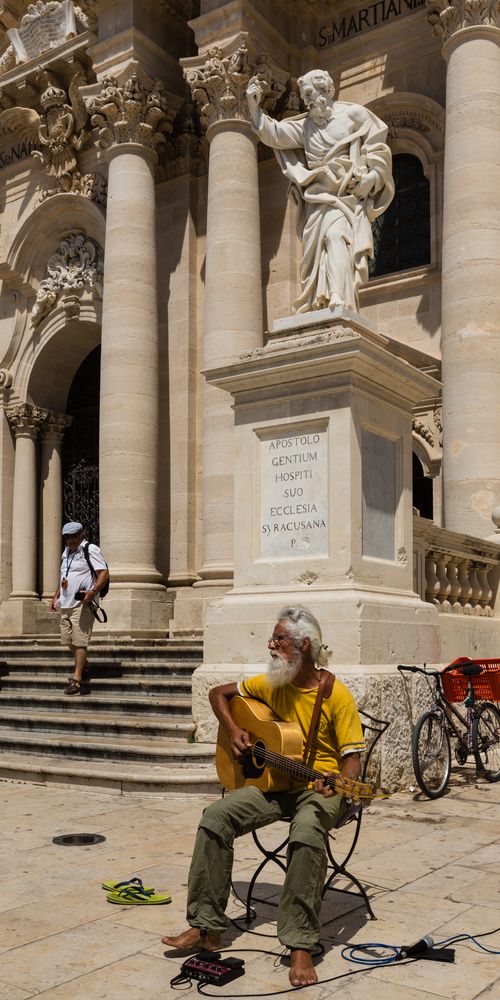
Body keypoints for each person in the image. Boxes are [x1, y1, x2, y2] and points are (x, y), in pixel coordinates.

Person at [162, 605, 365, 988]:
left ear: (303, 646)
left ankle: (301, 943)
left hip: (317, 789)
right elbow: (217, 693)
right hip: (275, 786)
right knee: (215, 817)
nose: (271, 646)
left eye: (279, 639)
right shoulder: (272, 682)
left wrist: (338, 781)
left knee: (306, 833)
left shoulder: (336, 694)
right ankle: (207, 927)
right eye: (272, 638)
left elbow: (353, 762)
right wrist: (236, 729)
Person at [246, 69, 394, 313]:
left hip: (345, 196)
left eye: (312, 94)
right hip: (316, 198)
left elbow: (377, 148)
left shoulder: (354, 115)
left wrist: (371, 178)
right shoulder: (305, 126)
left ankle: (339, 296)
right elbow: (274, 134)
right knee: (314, 254)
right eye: (306, 97)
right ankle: (320, 299)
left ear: (326, 91)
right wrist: (254, 108)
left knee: (335, 237)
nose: (309, 101)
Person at [50, 521, 109, 695]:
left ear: (81, 534)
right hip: (66, 603)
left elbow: (103, 573)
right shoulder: (66, 553)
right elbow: (64, 576)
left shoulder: (90, 549)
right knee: (67, 640)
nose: (71, 540)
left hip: (82, 603)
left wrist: (93, 591)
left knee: (80, 641)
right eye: (68, 537)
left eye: (74, 536)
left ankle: (77, 680)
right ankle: (85, 666)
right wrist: (56, 596)